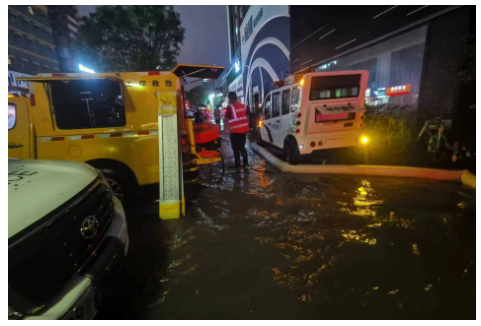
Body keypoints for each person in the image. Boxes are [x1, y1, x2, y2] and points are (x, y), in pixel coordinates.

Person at [224, 92, 250, 169]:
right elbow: (247, 117)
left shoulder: (229, 108)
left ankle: (237, 165)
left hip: (234, 132)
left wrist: (224, 130)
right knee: (242, 147)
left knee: (235, 149)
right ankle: (246, 164)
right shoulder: (243, 106)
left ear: (230, 98)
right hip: (243, 131)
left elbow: (226, 120)